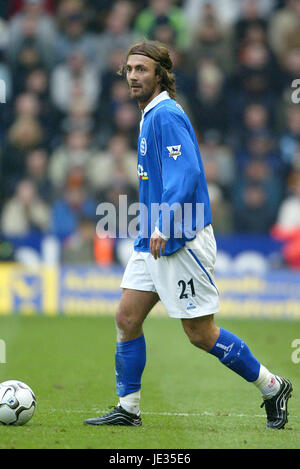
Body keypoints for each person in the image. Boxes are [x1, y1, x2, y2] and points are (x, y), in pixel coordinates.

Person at [84, 40, 292, 430]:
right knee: (127, 317)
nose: (133, 76)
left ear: (160, 74)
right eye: (129, 69)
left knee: (200, 333)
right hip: (153, 238)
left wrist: (163, 223)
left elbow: (188, 174)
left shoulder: (165, 116)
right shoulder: (149, 115)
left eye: (141, 70)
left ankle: (272, 385)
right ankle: (128, 408)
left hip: (180, 237)